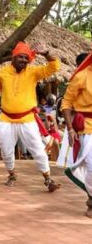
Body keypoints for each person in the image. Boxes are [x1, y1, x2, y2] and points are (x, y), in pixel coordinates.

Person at [0, 41, 61, 191]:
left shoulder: (33, 72)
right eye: (20, 57)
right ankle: (12, 175)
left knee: (37, 150)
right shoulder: (3, 72)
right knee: (6, 151)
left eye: (26, 58)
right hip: (6, 119)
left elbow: (55, 67)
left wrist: (46, 53)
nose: (23, 60)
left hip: (27, 119)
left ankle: (48, 179)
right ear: (13, 58)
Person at [61, 49, 92, 217]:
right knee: (91, 166)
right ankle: (91, 202)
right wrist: (70, 128)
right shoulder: (81, 76)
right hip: (87, 126)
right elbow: (66, 103)